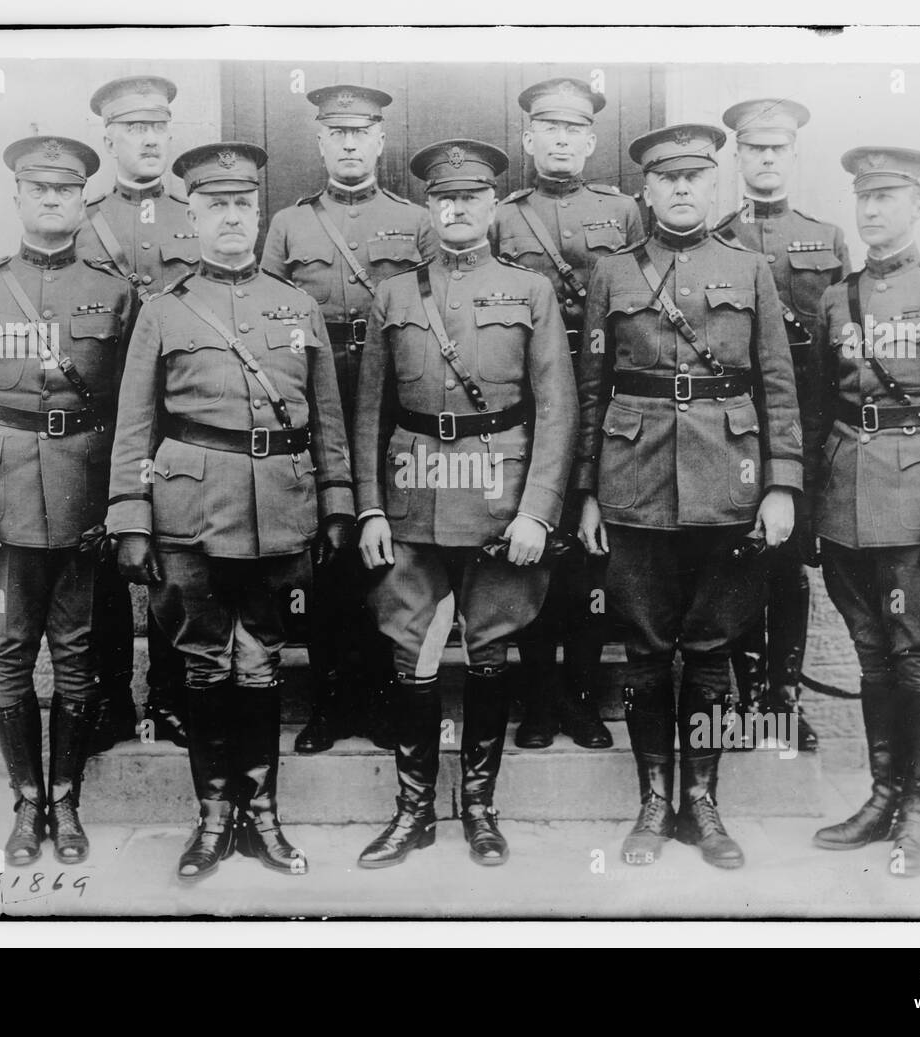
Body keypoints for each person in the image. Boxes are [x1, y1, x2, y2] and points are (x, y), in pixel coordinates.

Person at [107, 142, 354, 881]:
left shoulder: (296, 303)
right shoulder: (164, 309)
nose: (230, 220)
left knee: (262, 657)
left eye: (242, 206)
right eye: (215, 207)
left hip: (281, 505)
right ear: (194, 217)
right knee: (205, 661)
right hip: (189, 510)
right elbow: (133, 423)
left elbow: (328, 417)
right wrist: (129, 515)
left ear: (258, 214)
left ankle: (263, 817)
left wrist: (337, 500)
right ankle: (214, 819)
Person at [575, 125, 803, 869]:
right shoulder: (611, 273)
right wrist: (585, 494)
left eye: (694, 178)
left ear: (715, 187)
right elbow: (589, 392)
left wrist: (781, 484)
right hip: (632, 482)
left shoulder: (750, 268)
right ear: (645, 189)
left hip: (729, 481)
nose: (679, 189)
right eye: (666, 178)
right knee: (644, 647)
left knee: (713, 650)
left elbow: (777, 385)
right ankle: (652, 801)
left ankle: (702, 803)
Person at [352, 139, 576, 867]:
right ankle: (413, 810)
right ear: (428, 207)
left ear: (490, 208)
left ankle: (478, 806)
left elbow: (558, 410)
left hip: (497, 493)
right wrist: (369, 509)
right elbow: (366, 415)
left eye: (470, 199)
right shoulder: (392, 295)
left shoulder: (529, 291)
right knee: (411, 650)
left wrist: (537, 509)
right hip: (411, 492)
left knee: (489, 647)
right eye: (444, 198)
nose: (456, 209)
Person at [0, 135, 136, 866]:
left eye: (66, 190)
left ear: (84, 201)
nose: (52, 200)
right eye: (38, 189)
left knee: (77, 655)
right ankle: (26, 803)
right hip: (0, 500)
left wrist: (121, 500)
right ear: (17, 198)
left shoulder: (115, 292)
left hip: (84, 497)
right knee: (9, 651)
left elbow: (132, 406)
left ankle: (68, 800)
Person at [808, 147, 920, 877]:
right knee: (870, 654)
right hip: (845, 498)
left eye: (889, 197)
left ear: (919, 205)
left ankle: (918, 812)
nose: (873, 210)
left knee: (916, 657)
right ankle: (882, 797)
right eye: (865, 197)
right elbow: (826, 405)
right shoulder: (835, 299)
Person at [262, 84, 436, 753]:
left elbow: (430, 309)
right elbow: (272, 312)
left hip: (393, 397)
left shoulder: (413, 220)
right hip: (315, 390)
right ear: (320, 142)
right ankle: (332, 700)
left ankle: (389, 698)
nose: (350, 144)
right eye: (337, 133)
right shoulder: (289, 223)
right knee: (330, 548)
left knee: (388, 547)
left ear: (381, 140)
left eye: (361, 132)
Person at [491, 76, 644, 750]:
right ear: (527, 138)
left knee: (590, 558)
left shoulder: (625, 213)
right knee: (533, 551)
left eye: (572, 130)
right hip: (530, 398)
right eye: (546, 129)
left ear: (589, 141)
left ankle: (581, 698)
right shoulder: (503, 216)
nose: (559, 140)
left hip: (610, 394)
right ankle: (537, 699)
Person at [712, 98, 851, 752]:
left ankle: (783, 698)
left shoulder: (826, 240)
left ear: (793, 155)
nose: (767, 158)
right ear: (737, 157)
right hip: (734, 424)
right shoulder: (714, 238)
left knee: (791, 566)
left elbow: (845, 342)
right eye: (755, 148)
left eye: (779, 148)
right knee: (737, 561)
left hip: (808, 423)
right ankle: (743, 696)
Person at [77, 74, 201, 750]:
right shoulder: (84, 217)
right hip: (100, 415)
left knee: (171, 556)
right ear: (110, 137)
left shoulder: (195, 211)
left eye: (158, 127)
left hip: (177, 417)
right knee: (101, 556)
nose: (149, 139)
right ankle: (110, 698)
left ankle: (171, 692)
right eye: (134, 129)